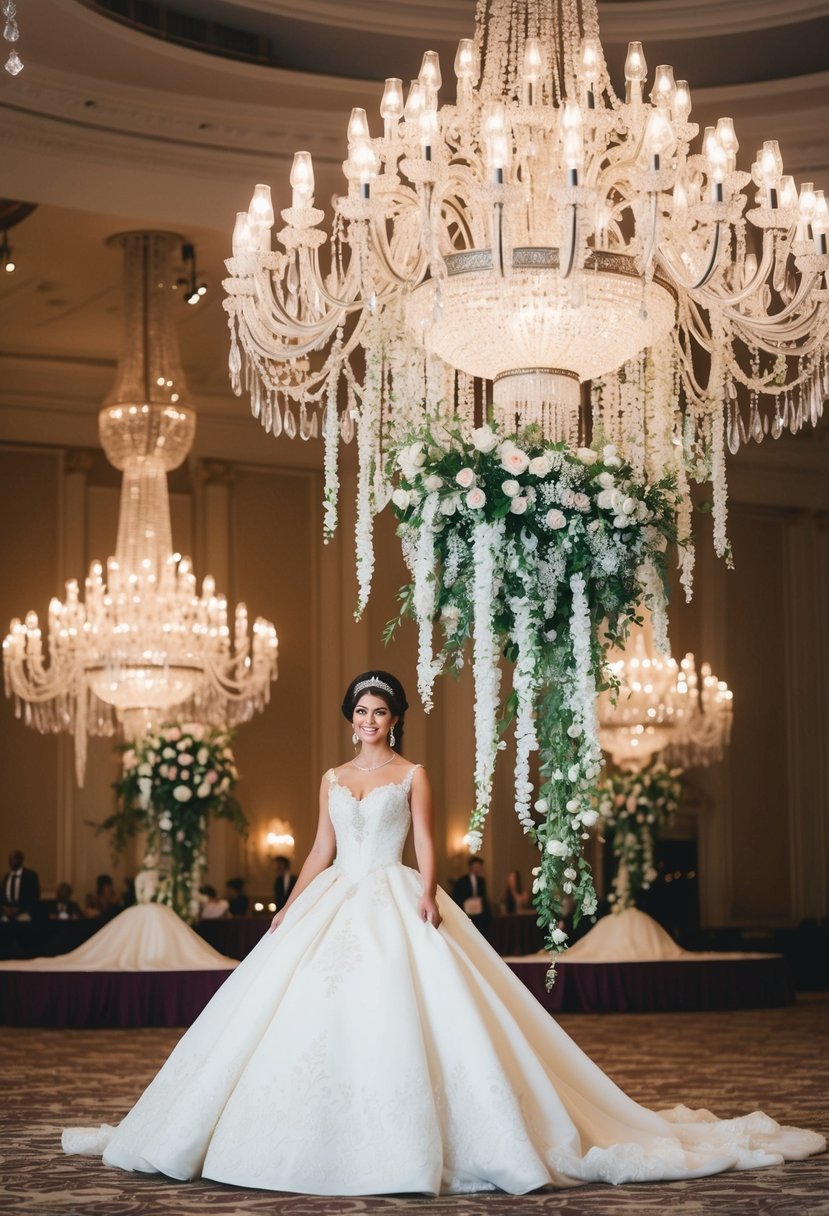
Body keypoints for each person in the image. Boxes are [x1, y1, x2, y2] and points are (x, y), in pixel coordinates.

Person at [63, 670, 825, 1194]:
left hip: (396, 894)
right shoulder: (332, 778)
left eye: (378, 712)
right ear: (349, 720)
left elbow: (426, 842)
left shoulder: (412, 773)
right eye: (359, 713)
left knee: (415, 1007)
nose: (368, 723)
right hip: (335, 898)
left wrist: (428, 894)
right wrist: (287, 911)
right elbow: (319, 851)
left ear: (393, 718)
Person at [452, 855, 491, 936]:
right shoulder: (463, 880)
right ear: (471, 867)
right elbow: (458, 895)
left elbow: (483, 896)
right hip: (467, 911)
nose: (478, 868)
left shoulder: (481, 880)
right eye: (476, 866)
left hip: (479, 912)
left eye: (479, 866)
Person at [1, 850, 40, 922]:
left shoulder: (30, 876)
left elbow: (34, 897)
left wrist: (19, 910)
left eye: (15, 858)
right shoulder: (5, 878)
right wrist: (5, 909)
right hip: (6, 914)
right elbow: (2, 897)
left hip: (24, 912)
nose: (12, 861)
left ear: (21, 860)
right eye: (10, 859)